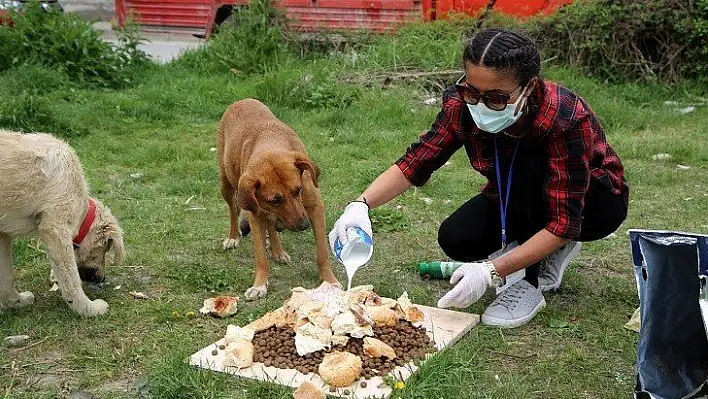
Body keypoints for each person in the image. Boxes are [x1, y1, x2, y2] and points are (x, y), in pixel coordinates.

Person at [329, 27, 629, 328]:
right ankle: (536, 251)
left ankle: (528, 283)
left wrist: (491, 271)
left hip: (594, 202)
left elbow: (564, 221)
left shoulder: (563, 117)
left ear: (528, 87)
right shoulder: (461, 105)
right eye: (472, 91)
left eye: (496, 98)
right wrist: (360, 205)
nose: (481, 105)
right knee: (457, 237)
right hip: (515, 194)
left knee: (528, 164)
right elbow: (416, 162)